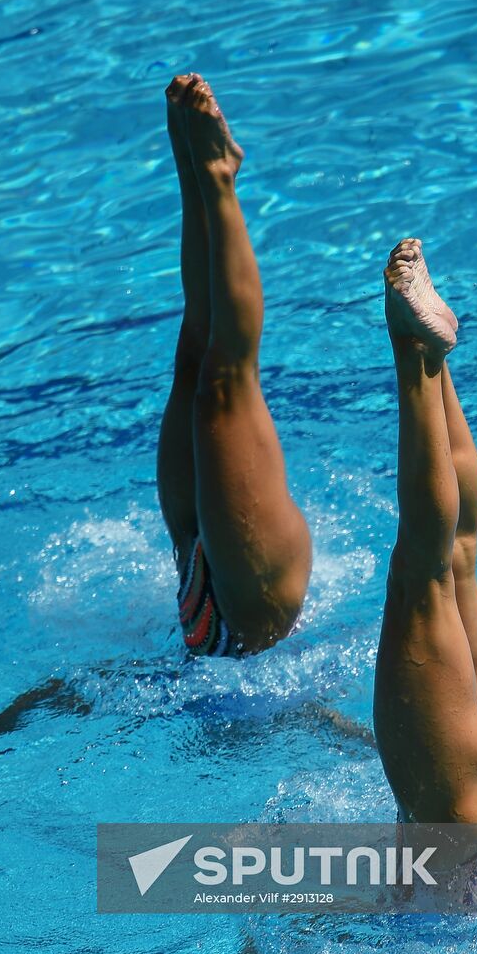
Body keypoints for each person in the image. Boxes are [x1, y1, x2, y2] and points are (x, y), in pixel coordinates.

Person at [157, 75, 311, 657]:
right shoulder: (284, 704)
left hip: (195, 582)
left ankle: (196, 175)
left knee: (194, 359)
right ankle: (220, 174)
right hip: (254, 612)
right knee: (225, 387)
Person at [373, 239, 477, 826]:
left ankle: (432, 356)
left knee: (460, 552)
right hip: (461, 804)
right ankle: (411, 351)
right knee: (424, 573)